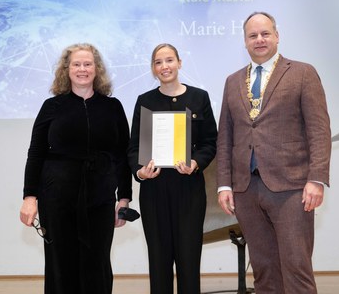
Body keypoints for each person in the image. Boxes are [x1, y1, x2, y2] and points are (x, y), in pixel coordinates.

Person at [216, 12, 331, 294]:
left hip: (291, 188)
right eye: (252, 35)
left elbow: (319, 130)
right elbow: (225, 137)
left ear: (277, 36)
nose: (259, 40)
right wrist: (224, 184)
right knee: (264, 270)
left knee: (296, 268)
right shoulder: (232, 81)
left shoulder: (303, 73)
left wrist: (316, 179)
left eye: (265, 33)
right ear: (244, 41)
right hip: (246, 189)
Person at [19, 43, 132, 294]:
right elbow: (36, 152)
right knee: (61, 263)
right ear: (66, 70)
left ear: (97, 69)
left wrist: (124, 198)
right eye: (77, 64)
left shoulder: (113, 107)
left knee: (98, 263)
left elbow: (122, 155)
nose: (82, 69)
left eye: (88, 64)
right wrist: (29, 197)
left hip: (100, 198)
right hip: (57, 197)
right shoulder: (51, 106)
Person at [128, 43, 217, 294]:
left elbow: (211, 142)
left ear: (179, 62)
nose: (164, 66)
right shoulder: (144, 101)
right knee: (158, 262)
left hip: (189, 190)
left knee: (189, 261)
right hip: (154, 191)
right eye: (158, 62)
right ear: (153, 69)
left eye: (169, 60)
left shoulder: (199, 97)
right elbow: (134, 148)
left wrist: (196, 162)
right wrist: (139, 171)